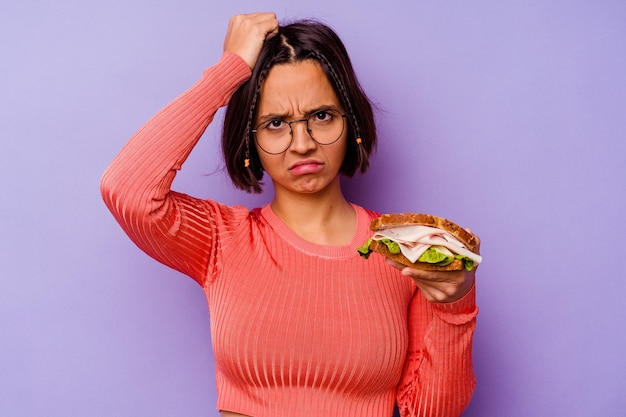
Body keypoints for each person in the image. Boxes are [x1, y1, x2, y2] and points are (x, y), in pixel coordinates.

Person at [100, 12, 478, 417]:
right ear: (251, 140)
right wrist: (227, 72)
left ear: (351, 121)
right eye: (276, 123)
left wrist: (455, 303)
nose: (302, 143)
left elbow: (433, 411)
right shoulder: (221, 240)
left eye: (321, 116)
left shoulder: (402, 249)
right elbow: (127, 190)